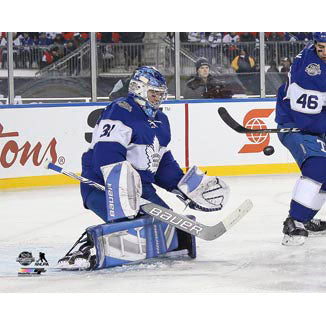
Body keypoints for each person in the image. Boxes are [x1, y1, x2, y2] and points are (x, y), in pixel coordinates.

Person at [57, 66, 230, 270]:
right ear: (138, 89)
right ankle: (86, 248)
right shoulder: (120, 110)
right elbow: (106, 155)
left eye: (160, 95)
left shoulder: (161, 120)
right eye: (153, 94)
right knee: (133, 229)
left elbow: (162, 162)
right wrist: (124, 191)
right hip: (103, 188)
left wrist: (184, 188)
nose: (157, 99)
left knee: (164, 229)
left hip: (142, 190)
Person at [275, 32, 326, 246]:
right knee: (318, 166)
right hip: (297, 126)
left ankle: (305, 218)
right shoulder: (309, 69)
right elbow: (306, 115)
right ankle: (293, 221)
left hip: (317, 127)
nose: (323, 52)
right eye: (320, 47)